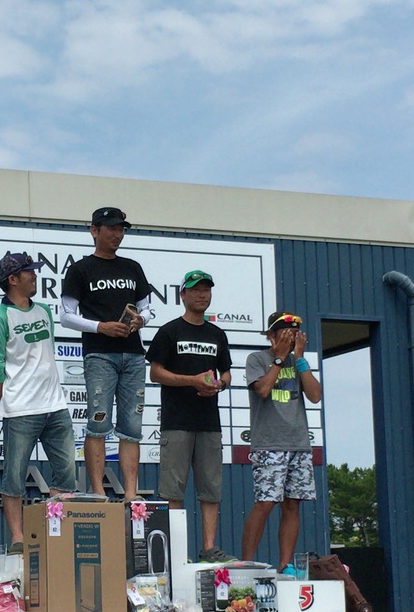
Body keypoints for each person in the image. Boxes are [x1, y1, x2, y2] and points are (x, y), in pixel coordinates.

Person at [0, 252, 77, 552]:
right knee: (14, 477)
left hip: (56, 406)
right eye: (29, 272)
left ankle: (55, 534)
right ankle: (18, 538)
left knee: (67, 474)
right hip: (21, 410)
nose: (35, 276)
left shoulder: (44, 311)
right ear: (13, 279)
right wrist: (11, 399)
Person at [61, 207, 154, 500]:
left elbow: (148, 308)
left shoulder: (132, 267)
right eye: (111, 228)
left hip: (134, 355)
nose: (117, 234)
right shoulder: (80, 269)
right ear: (94, 230)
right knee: (98, 422)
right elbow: (66, 316)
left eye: (121, 229)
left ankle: (131, 493)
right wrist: (100, 327)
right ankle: (99, 491)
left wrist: (141, 320)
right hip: (99, 354)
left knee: (132, 426)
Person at [146, 270, 234, 562]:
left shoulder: (217, 334)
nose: (202, 295)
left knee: (211, 489)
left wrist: (219, 384)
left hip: (209, 422)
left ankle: (209, 548)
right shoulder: (170, 331)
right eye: (195, 289)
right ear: (182, 294)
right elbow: (155, 372)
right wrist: (191, 381)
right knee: (173, 490)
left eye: (206, 289)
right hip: (177, 421)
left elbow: (227, 373)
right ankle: (175, 550)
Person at [240, 311, 323, 574]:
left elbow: (315, 395)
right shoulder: (257, 359)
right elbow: (263, 390)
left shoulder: (299, 362)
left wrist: (298, 357)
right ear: (271, 335)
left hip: (299, 443)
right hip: (269, 444)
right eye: (285, 332)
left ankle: (285, 566)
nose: (291, 337)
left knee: (292, 503)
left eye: (295, 333)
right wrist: (279, 357)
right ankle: (246, 562)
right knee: (266, 502)